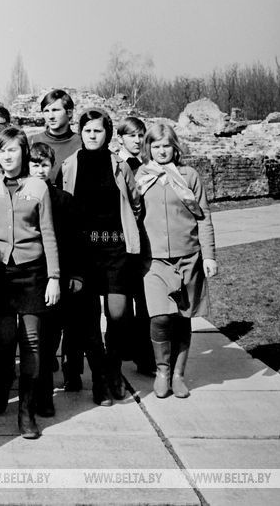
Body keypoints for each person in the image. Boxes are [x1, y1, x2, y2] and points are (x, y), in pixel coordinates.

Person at [0, 128, 60, 439]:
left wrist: (54, 277)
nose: (7, 156)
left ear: (24, 151)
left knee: (32, 342)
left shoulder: (38, 186)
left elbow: (48, 233)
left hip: (32, 272)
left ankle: (26, 411)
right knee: (6, 338)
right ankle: (1, 382)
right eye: (2, 151)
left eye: (13, 150)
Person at [57, 108, 143, 405]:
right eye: (87, 130)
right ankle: (99, 379)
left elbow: (135, 203)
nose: (92, 135)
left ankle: (114, 367)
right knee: (88, 318)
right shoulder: (69, 165)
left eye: (98, 130)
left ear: (108, 133)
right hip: (83, 252)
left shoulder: (120, 165)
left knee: (117, 313)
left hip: (115, 249)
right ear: (80, 132)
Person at [135, 123, 217, 399]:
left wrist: (209, 256)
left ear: (175, 147)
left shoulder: (188, 175)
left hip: (188, 257)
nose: (161, 151)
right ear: (149, 148)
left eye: (166, 146)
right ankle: (162, 371)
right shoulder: (142, 176)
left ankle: (179, 374)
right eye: (155, 146)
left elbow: (203, 217)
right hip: (154, 261)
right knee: (159, 317)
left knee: (183, 319)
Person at [27, 142, 84, 417]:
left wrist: (74, 273)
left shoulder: (63, 199)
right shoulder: (20, 196)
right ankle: (34, 392)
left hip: (55, 276)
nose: (39, 170)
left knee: (50, 339)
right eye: (34, 164)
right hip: (27, 276)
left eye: (44, 165)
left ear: (52, 167)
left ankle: (45, 396)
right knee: (32, 340)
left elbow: (74, 242)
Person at [116, 116, 155, 376]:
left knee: (143, 302)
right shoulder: (115, 165)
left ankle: (144, 357)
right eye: (132, 136)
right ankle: (120, 352)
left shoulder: (148, 166)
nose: (137, 140)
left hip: (143, 242)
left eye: (141, 135)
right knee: (119, 306)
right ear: (120, 138)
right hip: (119, 242)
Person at [31, 89, 82, 169]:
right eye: (46, 111)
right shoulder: (32, 141)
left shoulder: (81, 144)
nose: (50, 116)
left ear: (69, 113)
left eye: (55, 110)